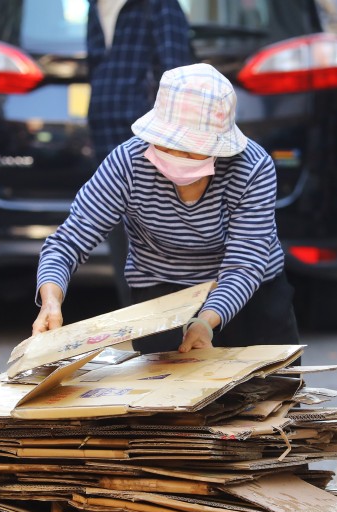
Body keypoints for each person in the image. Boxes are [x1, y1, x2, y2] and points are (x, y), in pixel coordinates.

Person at [32, 63, 300, 354]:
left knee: (270, 390)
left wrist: (206, 322)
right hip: (161, 293)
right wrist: (51, 300)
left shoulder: (252, 167)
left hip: (250, 295)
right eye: (169, 144)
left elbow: (244, 264)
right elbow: (68, 242)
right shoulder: (128, 164)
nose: (177, 156)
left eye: (191, 149)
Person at [86, 0, 193, 307]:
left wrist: (171, 137)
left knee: (157, 224)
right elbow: (97, 63)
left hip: (149, 130)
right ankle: (137, 319)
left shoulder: (159, 4)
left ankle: (173, 319)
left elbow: (178, 74)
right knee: (118, 228)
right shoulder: (96, 5)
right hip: (104, 127)